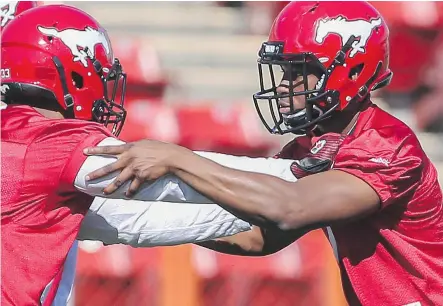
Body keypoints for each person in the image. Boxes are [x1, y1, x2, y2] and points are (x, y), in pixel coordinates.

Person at [83, 1, 443, 305]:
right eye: (284, 70)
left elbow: (289, 208)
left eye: (298, 72)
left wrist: (179, 159)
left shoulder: (387, 146)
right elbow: (259, 236)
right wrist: (122, 227)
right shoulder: (313, 145)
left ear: (351, 71)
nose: (284, 85)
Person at [1, 4, 304, 305]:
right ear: (75, 77)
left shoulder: (15, 137)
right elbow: (155, 194)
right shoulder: (48, 142)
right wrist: (294, 176)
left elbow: (133, 222)